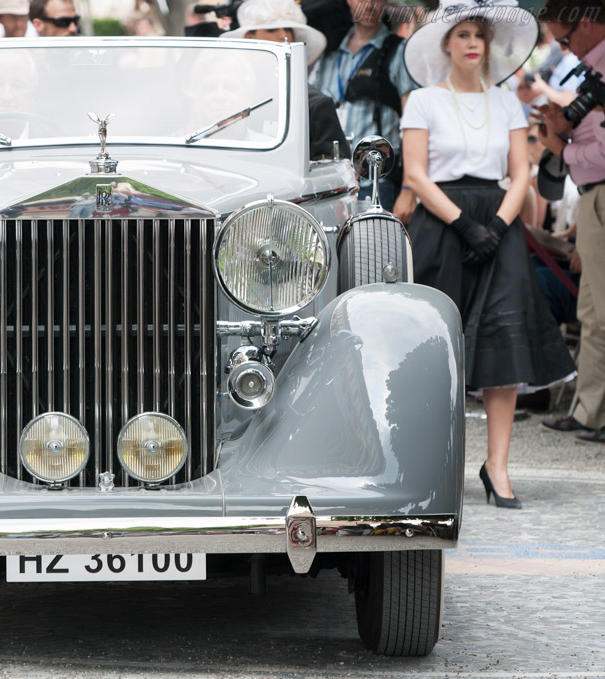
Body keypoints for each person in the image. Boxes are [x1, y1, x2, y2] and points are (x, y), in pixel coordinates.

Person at [400, 0, 574, 508]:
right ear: (447, 44)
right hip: (442, 222)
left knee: (504, 343)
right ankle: (433, 465)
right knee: (437, 346)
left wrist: (497, 225)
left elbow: (521, 171)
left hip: (499, 224)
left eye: (480, 35)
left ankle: (497, 466)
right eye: (463, 35)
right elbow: (414, 175)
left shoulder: (505, 103)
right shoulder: (424, 101)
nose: (473, 43)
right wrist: (464, 224)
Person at [537, 0, 605, 444]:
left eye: (564, 39)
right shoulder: (592, 71)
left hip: (600, 192)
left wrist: (561, 148)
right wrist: (562, 128)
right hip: (591, 196)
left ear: (584, 22)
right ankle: (590, 413)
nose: (566, 50)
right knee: (592, 313)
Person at [311, 0, 418, 216]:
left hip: (378, 183)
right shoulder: (329, 52)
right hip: (331, 183)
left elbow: (413, 126)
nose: (369, 5)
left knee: (373, 249)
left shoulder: (400, 51)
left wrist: (408, 189)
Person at [220, 0, 350, 160]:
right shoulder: (225, 96)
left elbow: (332, 172)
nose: (284, 35)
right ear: (249, 38)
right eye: (271, 29)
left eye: (289, 29)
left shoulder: (313, 105)